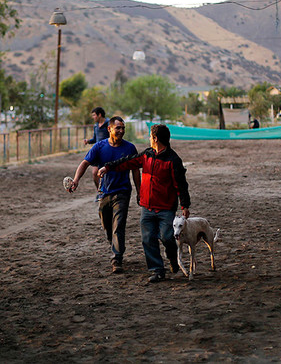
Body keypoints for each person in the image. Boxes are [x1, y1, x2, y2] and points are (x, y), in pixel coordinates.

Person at [98, 124, 191, 283]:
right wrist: (108, 167)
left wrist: (185, 205)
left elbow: (181, 184)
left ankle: (172, 259)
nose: (149, 138)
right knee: (148, 239)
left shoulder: (173, 160)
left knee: (168, 237)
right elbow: (128, 162)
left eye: (150, 136)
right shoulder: (147, 154)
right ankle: (157, 270)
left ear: (155, 138)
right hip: (146, 207)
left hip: (166, 208)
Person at [68, 116, 139, 274]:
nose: (121, 131)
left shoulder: (130, 148)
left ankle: (117, 259)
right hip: (105, 192)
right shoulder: (99, 147)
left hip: (122, 191)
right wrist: (76, 180)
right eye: (118, 128)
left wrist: (139, 191)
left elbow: (135, 170)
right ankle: (114, 244)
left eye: (123, 128)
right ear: (109, 129)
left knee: (118, 226)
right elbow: (85, 163)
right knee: (107, 226)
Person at [82, 107, 110, 191]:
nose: (93, 117)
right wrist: (88, 141)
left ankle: (107, 191)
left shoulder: (109, 124)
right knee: (94, 173)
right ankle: (100, 191)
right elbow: (95, 139)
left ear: (99, 115)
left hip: (107, 152)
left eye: (94, 115)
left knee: (106, 173)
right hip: (98, 152)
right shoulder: (96, 126)